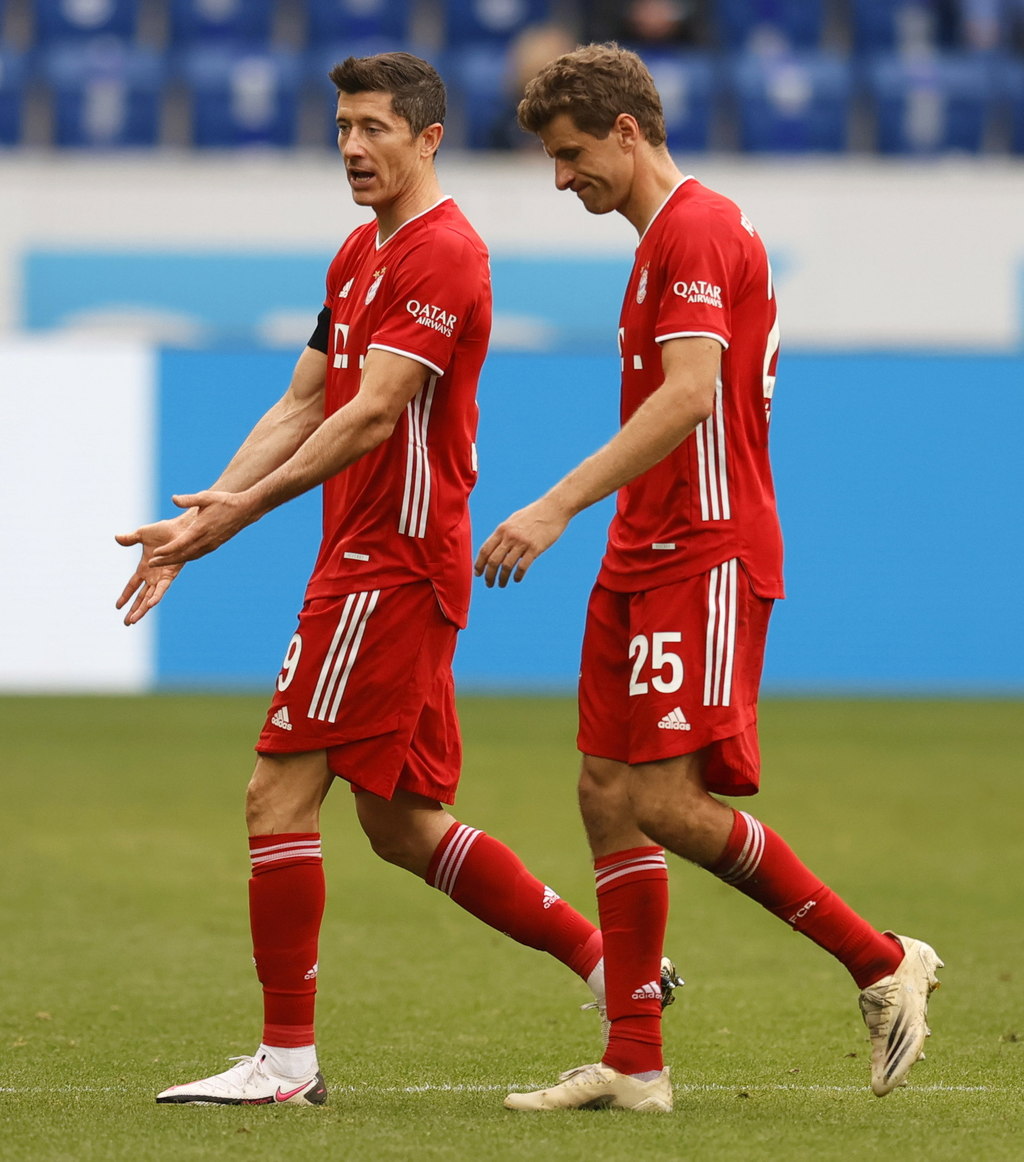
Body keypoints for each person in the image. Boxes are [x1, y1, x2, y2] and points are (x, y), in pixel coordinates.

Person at [115, 52, 671, 1107]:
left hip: (391, 565)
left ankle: (286, 1064)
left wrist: (239, 517)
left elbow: (374, 412)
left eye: (372, 127)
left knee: (277, 794)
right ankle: (610, 963)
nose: (352, 147)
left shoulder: (445, 253)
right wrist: (203, 511)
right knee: (400, 823)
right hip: (371, 561)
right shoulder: (357, 254)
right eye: (341, 128)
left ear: (427, 138)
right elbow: (305, 399)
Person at [475, 43, 943, 1113]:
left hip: (705, 547)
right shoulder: (659, 243)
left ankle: (880, 960)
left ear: (628, 130)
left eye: (572, 155)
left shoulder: (696, 228)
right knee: (605, 791)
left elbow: (691, 395)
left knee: (664, 802)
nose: (562, 179)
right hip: (644, 546)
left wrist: (553, 505)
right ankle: (635, 1061)